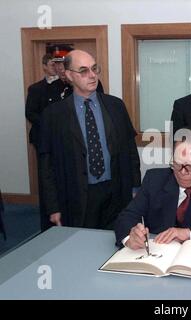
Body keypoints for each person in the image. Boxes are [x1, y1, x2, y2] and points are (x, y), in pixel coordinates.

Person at [39, 49, 141, 230]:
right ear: (69, 75)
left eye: (94, 68)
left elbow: (130, 150)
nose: (92, 75)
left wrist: (135, 187)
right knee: (81, 246)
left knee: (117, 242)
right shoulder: (53, 115)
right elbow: (46, 166)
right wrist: (52, 207)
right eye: (84, 71)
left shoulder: (115, 106)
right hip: (77, 195)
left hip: (116, 190)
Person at [25, 53, 65, 231]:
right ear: (44, 66)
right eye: (52, 64)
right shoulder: (35, 88)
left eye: (58, 64)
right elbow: (30, 113)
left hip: (61, 139)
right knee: (46, 177)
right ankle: (48, 216)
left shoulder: (63, 87)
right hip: (42, 138)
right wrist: (48, 122)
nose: (55, 67)